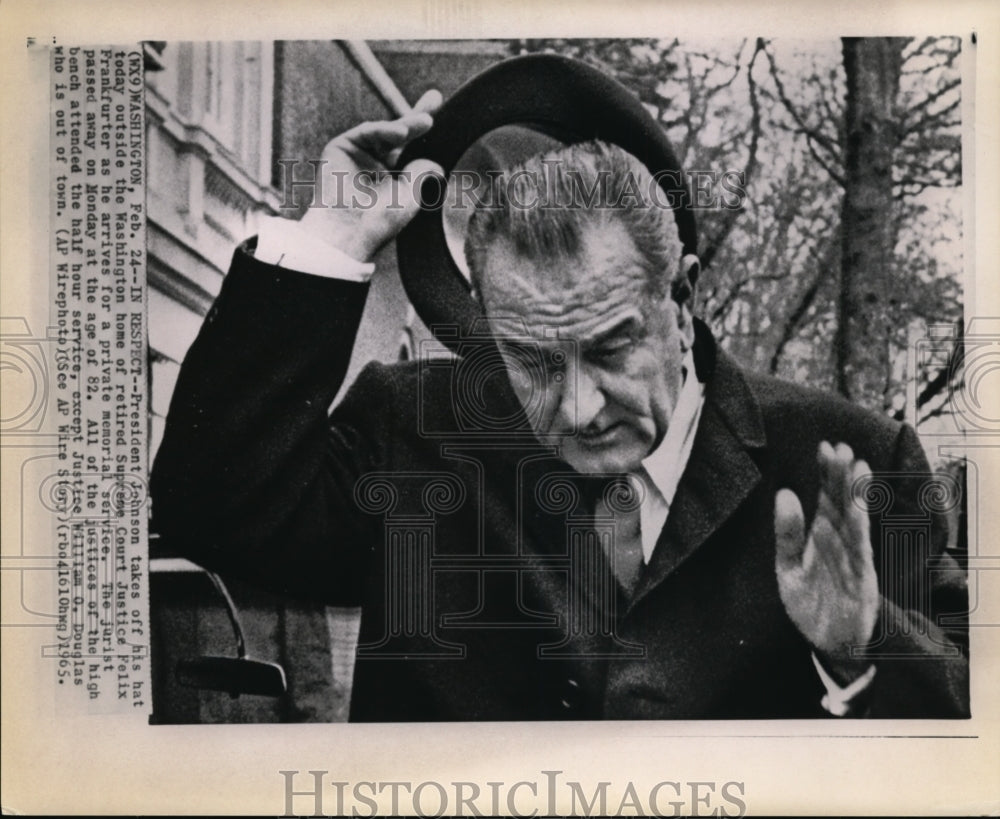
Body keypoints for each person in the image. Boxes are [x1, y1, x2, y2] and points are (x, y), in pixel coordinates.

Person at [150, 80, 969, 721]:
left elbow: (971, 739)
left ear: (680, 301)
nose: (579, 408)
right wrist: (330, 235)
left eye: (611, 348)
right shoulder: (411, 429)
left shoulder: (858, 463)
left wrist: (861, 652)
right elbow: (209, 504)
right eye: (533, 360)